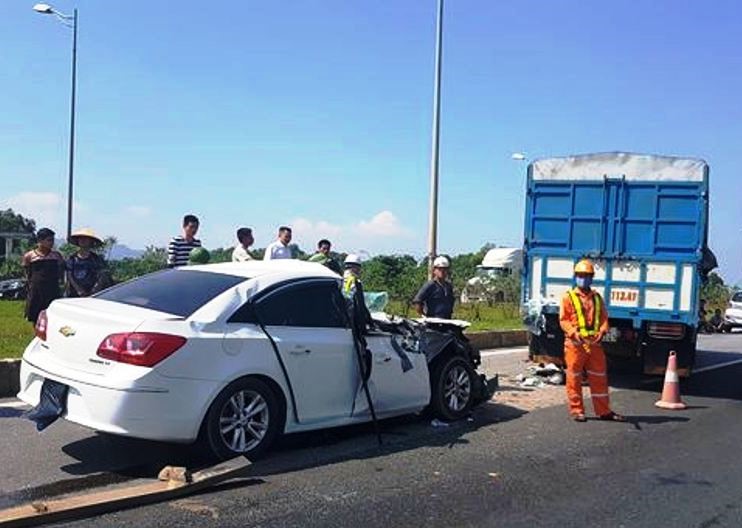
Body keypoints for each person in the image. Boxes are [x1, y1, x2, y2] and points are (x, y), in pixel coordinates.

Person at [559, 259, 625, 423]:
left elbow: (603, 318)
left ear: (592, 278)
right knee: (574, 378)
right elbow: (564, 320)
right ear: (575, 277)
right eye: (581, 275)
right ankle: (577, 411)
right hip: (575, 345)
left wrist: (603, 331)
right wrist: (574, 333)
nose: (584, 278)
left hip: (595, 345)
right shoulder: (568, 297)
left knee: (599, 378)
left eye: (587, 276)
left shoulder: (597, 298)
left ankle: (604, 411)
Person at [22, 228, 65, 324]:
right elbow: (27, 273)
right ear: (40, 240)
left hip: (52, 289)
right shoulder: (29, 256)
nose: (52, 243)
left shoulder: (56, 256)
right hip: (36, 290)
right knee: (36, 315)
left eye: (53, 240)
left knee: (53, 315)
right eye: (49, 240)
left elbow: (61, 271)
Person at [65, 228, 107, 298]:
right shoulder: (71, 259)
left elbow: (102, 276)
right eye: (80, 238)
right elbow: (69, 276)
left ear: (91, 241)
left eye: (86, 239)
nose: (82, 240)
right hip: (74, 294)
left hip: (93, 294)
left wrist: (95, 290)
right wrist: (78, 290)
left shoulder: (96, 259)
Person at [342, 254, 372, 329]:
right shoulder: (355, 281)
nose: (359, 270)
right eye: (358, 268)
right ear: (354, 267)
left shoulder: (340, 278)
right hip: (353, 321)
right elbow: (359, 304)